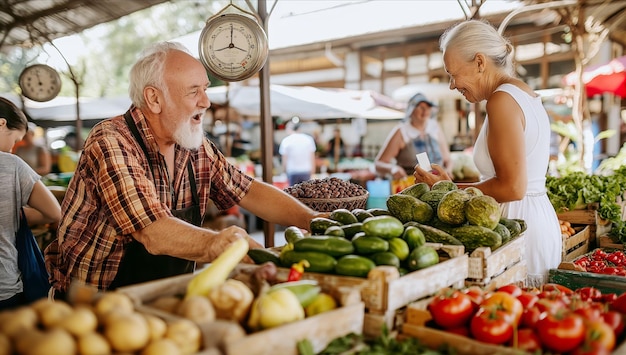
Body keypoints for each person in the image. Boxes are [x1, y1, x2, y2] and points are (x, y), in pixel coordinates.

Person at [44, 42, 324, 295]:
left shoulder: (194, 145)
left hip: (166, 297)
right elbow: (152, 232)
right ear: (154, 99)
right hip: (94, 306)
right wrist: (218, 245)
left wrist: (314, 221)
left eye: (205, 89)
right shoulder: (111, 141)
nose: (206, 101)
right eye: (194, 91)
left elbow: (247, 190)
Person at [413, 19, 561, 287]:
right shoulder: (525, 94)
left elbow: (512, 187)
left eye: (452, 73)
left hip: (517, 222)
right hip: (535, 219)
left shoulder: (501, 100)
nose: (452, 85)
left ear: (479, 62)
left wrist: (450, 189)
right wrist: (450, 185)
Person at [0, 97, 61, 310]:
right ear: (1, 123)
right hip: (3, 288)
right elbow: (54, 213)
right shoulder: (11, 164)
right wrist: (19, 214)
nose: (12, 147)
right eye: (14, 139)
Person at [374, 93, 451, 181]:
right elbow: (379, 164)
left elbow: (447, 158)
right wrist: (393, 169)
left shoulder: (435, 127)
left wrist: (449, 170)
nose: (425, 111)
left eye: (428, 107)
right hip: (411, 186)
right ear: (411, 110)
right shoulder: (402, 131)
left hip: (438, 184)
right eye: (421, 107)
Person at [279, 118, 317, 186]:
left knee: (292, 194)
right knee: (306, 193)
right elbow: (312, 156)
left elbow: (284, 159)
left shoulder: (286, 141)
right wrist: (313, 171)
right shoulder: (308, 139)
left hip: (292, 171)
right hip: (306, 170)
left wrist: (285, 171)